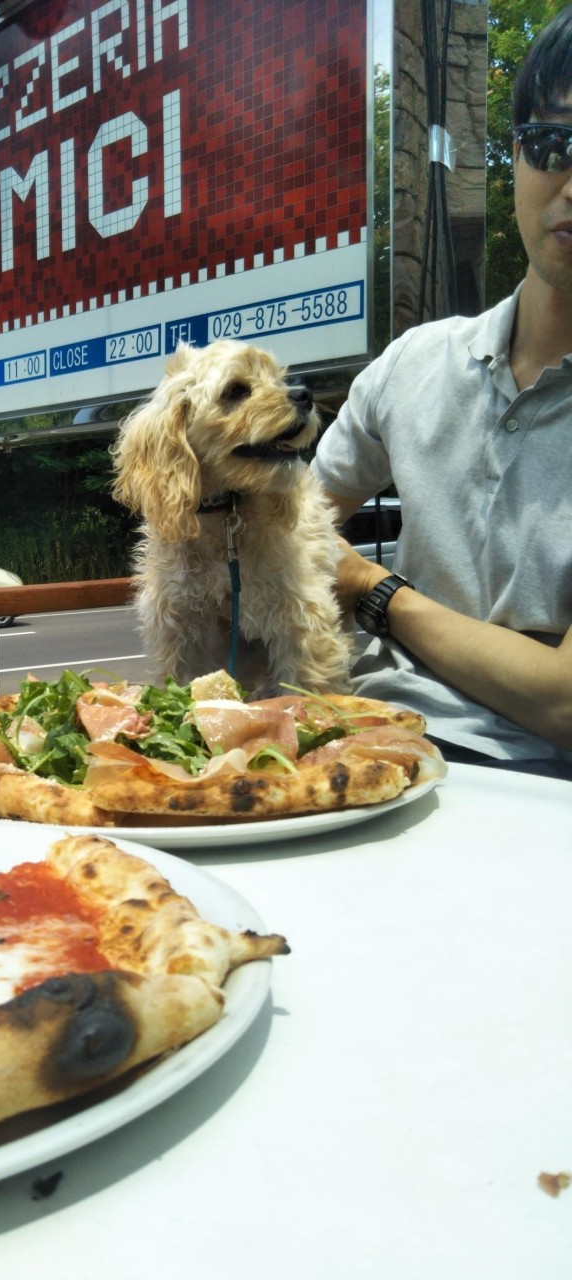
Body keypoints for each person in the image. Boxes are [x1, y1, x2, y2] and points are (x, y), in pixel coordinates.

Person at [311, 5, 572, 779]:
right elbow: (282, 533)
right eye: (553, 143)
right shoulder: (412, 364)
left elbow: (564, 703)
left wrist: (373, 589)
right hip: (362, 744)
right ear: (515, 158)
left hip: (538, 788)